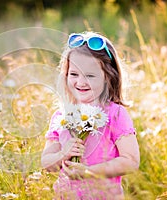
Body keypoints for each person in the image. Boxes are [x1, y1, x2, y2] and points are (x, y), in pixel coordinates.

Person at [41, 31, 140, 199]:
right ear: (65, 74)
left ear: (108, 77)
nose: (80, 82)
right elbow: (46, 163)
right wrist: (62, 154)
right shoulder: (62, 116)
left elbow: (130, 161)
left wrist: (89, 172)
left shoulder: (115, 114)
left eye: (90, 75)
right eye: (74, 74)